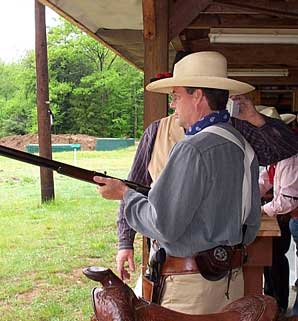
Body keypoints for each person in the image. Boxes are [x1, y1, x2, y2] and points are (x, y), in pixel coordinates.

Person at [94, 51, 261, 314]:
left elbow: (163, 225)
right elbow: (250, 227)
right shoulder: (243, 147)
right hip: (232, 280)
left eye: (177, 96)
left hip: (190, 289)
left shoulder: (192, 149)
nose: (173, 104)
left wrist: (125, 195)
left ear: (197, 96)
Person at [258, 108, 298, 314]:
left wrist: (260, 210)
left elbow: (288, 200)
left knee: (275, 257)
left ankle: (281, 305)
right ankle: (273, 300)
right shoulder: (276, 157)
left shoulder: (290, 157)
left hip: (293, 214)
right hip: (290, 215)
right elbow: (264, 180)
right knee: (270, 257)